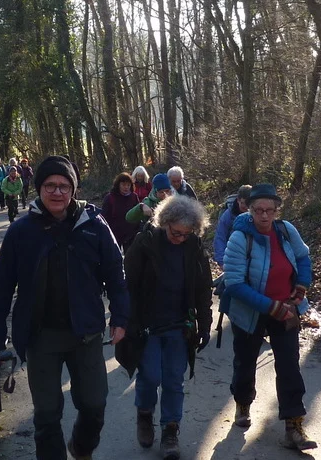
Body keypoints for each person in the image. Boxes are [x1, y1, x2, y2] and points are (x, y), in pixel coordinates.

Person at [0, 156, 129, 460]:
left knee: (94, 405)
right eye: (50, 185)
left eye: (64, 186)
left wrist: (120, 317)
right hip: (41, 338)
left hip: (85, 334)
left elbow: (116, 274)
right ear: (39, 189)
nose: (57, 192)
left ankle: (81, 446)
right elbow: (0, 289)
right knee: (47, 414)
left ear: (73, 190)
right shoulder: (21, 231)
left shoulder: (94, 226)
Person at [221, 183, 318, 450]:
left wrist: (300, 288)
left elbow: (304, 258)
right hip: (250, 311)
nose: (264, 216)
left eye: (269, 210)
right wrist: (271, 307)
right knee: (245, 361)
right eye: (258, 210)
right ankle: (242, 402)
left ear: (277, 210)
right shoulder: (240, 237)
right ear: (249, 210)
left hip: (285, 308)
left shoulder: (287, 231)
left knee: (289, 365)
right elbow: (234, 283)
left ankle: (294, 426)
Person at [118, 195, 213, 459]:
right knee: (150, 375)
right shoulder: (145, 242)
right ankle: (145, 414)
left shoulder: (194, 245)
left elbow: (204, 286)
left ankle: (170, 430)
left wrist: (205, 322)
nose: (180, 238)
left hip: (179, 325)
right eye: (175, 232)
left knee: (174, 379)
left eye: (186, 234)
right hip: (147, 325)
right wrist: (125, 321)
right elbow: (127, 285)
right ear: (164, 222)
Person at [213, 184, 252, 267]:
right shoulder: (228, 215)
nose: (246, 207)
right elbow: (220, 237)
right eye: (243, 203)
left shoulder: (257, 214)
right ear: (238, 200)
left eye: (249, 204)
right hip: (232, 257)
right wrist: (222, 261)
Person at [101, 172, 141, 250]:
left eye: (128, 185)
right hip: (114, 235)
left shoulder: (134, 197)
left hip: (130, 235)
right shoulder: (110, 198)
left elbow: (137, 214)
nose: (126, 187)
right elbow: (104, 217)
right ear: (118, 185)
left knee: (130, 260)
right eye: (123, 184)